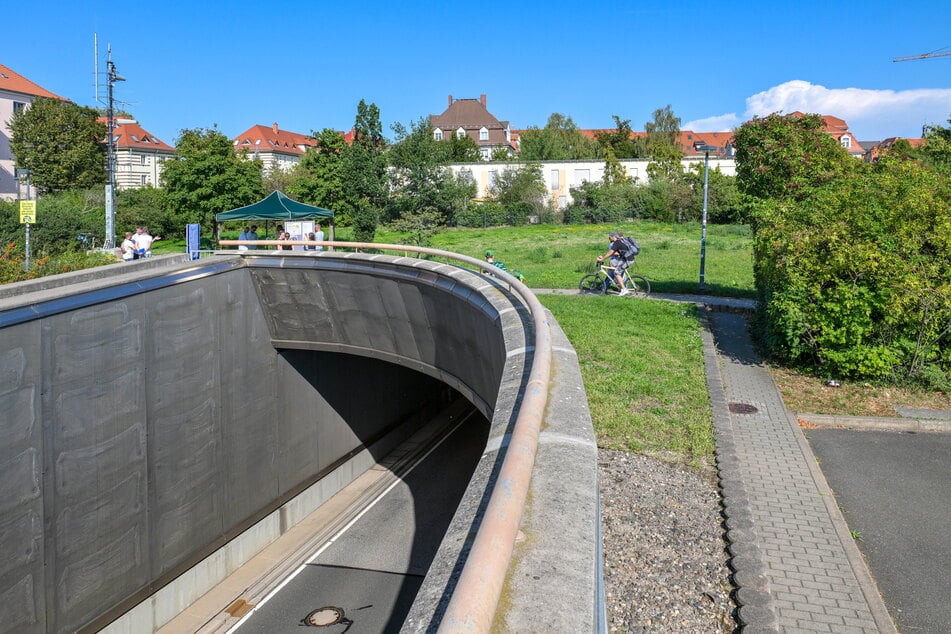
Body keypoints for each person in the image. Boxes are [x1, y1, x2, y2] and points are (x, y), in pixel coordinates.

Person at [597, 231, 634, 296]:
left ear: (613, 237)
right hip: (628, 259)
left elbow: (611, 253)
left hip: (625, 260)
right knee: (619, 274)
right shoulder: (622, 241)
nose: (609, 238)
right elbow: (613, 253)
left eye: (610, 237)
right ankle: (623, 288)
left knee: (616, 273)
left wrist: (602, 258)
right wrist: (603, 256)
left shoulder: (616, 243)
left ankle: (624, 290)